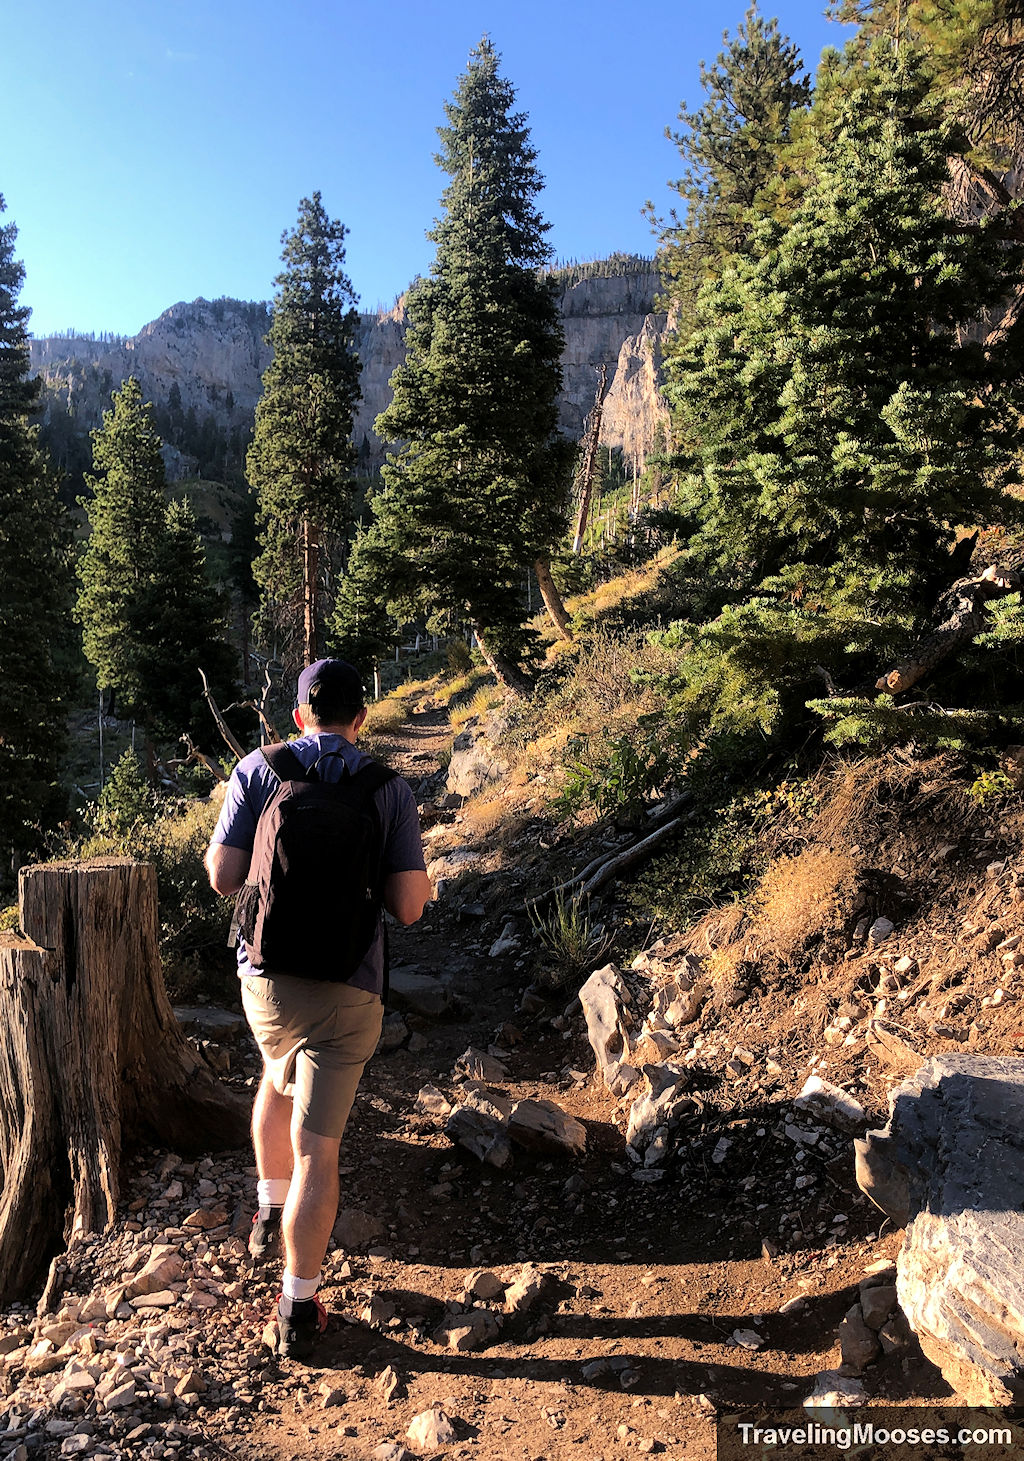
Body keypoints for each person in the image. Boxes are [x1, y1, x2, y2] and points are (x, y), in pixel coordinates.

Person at [205, 658, 430, 1361]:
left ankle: (269, 1209)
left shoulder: (258, 767)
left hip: (267, 983)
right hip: (349, 988)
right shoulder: (387, 788)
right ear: (360, 719)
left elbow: (221, 876)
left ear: (299, 715)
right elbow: (409, 906)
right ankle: (298, 1305)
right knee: (319, 1148)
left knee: (275, 1072)